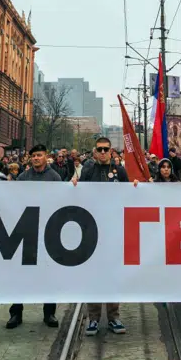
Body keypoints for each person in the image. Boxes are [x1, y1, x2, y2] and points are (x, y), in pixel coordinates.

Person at [73, 136, 129, 337]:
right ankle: (93, 318)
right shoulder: (87, 171)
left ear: (111, 151)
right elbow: (78, 195)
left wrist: (139, 187)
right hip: (92, 231)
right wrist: (73, 184)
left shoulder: (120, 172)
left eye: (106, 149)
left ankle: (113, 316)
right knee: (94, 275)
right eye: (100, 149)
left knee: (112, 274)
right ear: (95, 151)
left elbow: (130, 196)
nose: (103, 152)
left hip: (113, 229)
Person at [7, 145, 59, 330]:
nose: (36, 158)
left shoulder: (55, 177)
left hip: (47, 231)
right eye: (33, 156)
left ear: (46, 157)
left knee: (48, 274)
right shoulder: (23, 177)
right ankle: (16, 312)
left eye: (39, 155)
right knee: (21, 273)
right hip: (26, 230)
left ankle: (49, 312)